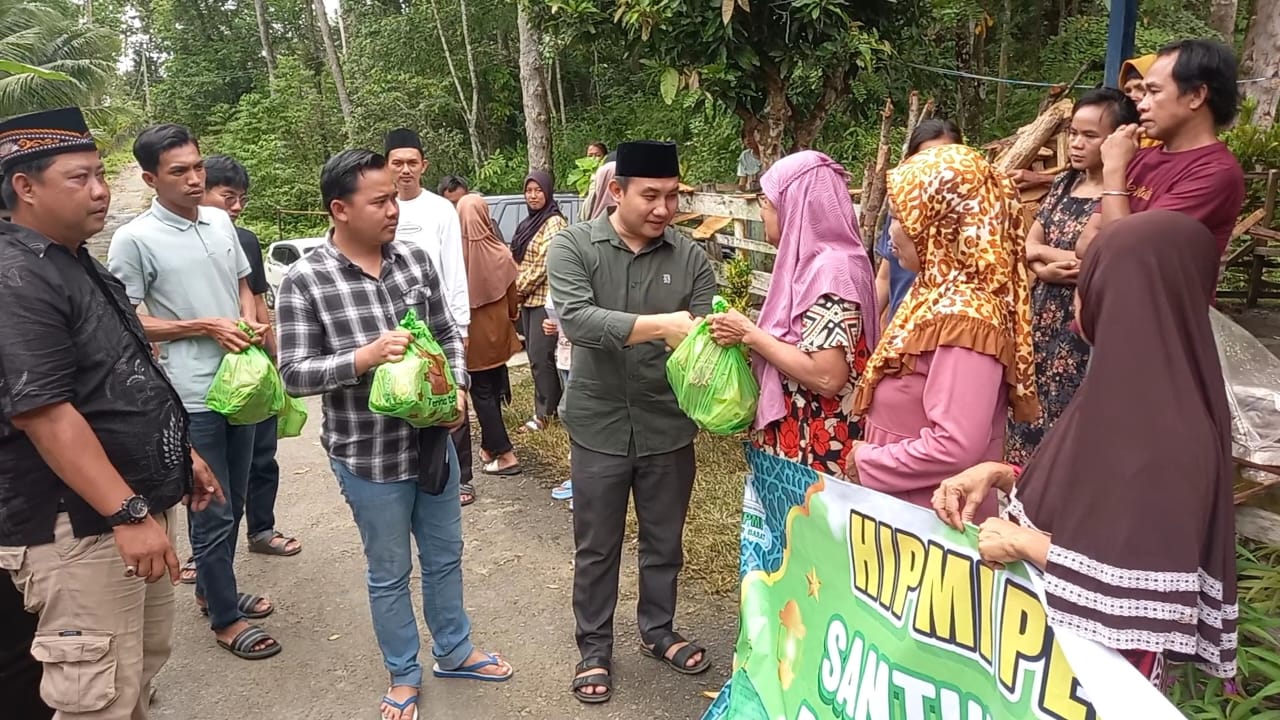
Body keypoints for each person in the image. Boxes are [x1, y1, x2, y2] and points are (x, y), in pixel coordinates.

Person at [933, 211, 1237, 687]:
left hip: (1100, 678)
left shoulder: (1161, 424)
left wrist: (1023, 542)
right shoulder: (1135, 389)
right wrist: (1001, 473)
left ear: (1127, 294)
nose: (1078, 298)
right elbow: (1101, 500)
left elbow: (1140, 579)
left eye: (1089, 282)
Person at [0, 107, 222, 718]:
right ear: (25, 187)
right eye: (80, 178)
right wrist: (125, 511)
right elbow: (44, 413)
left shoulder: (73, 261)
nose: (100, 190)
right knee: (96, 696)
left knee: (136, 673)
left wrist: (181, 455)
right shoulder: (17, 276)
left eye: (100, 174)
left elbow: (121, 379)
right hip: (81, 524)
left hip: (126, 510)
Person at [277, 149, 512, 720]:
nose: (394, 209)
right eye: (379, 201)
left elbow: (445, 333)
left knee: (445, 555)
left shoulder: (413, 260)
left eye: (393, 198)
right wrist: (363, 358)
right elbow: (294, 372)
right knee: (389, 572)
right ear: (340, 209)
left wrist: (457, 388)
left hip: (432, 445)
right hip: (367, 454)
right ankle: (403, 672)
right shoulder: (306, 280)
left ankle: (454, 650)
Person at [547, 140, 718, 704]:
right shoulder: (574, 245)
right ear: (617, 191)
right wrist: (663, 325)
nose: (664, 208)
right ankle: (594, 647)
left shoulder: (690, 257)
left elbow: (701, 338)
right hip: (598, 425)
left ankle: (658, 630)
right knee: (597, 546)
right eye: (650, 196)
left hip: (668, 424)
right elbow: (577, 320)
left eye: (672, 196)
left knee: (664, 540)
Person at [107, 124, 279, 660]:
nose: (193, 179)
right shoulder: (135, 239)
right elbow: (126, 319)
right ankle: (226, 618)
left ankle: (211, 588)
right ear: (150, 179)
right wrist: (202, 326)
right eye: (178, 171)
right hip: (192, 394)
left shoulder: (220, 221)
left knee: (239, 494)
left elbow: (242, 284)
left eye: (198, 167)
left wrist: (248, 320)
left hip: (243, 384)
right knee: (213, 505)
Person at [845, 144, 1036, 518]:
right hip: (906, 512)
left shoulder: (967, 319)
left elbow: (955, 446)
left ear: (943, 226)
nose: (890, 234)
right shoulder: (934, 295)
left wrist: (869, 461)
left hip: (930, 520)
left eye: (900, 218)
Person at [707, 150, 878, 477]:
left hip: (817, 447)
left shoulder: (831, 272)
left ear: (795, 206)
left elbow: (827, 376)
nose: (762, 212)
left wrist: (749, 333)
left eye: (767, 202)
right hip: (803, 438)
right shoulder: (819, 263)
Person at [181, 155, 300, 585]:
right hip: (203, 379)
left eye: (241, 200)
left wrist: (273, 357)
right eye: (227, 197)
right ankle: (205, 561)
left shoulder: (244, 240)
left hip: (251, 368)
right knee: (208, 475)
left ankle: (261, 529)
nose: (235, 207)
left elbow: (257, 298)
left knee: (262, 456)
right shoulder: (172, 244)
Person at [1007, 90, 1138, 464]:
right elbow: (1029, 243)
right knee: (1028, 408)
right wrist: (1043, 268)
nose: (1077, 144)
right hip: (1041, 317)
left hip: (1083, 323)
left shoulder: (1122, 193)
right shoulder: (1065, 183)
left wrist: (1042, 256)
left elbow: (1102, 256)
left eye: (1090, 136)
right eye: (1073, 133)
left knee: (1071, 419)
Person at [1077, 39, 1245, 265]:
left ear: (1196, 96)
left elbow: (1122, 253)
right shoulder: (1139, 157)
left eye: (1153, 92)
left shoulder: (1214, 173)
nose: (1141, 105)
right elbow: (1084, 244)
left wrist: (1114, 169)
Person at [384, 128, 475, 503]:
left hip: (436, 321)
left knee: (449, 394)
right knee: (403, 394)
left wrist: (461, 324)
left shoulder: (440, 209)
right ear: (386, 166)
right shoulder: (381, 207)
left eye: (412, 162)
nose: (405, 170)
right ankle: (409, 472)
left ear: (424, 165)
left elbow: (455, 269)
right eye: (397, 163)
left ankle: (461, 475)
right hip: (392, 327)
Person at [457, 193, 523, 478]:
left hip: (473, 338)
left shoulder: (454, 256)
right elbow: (513, 299)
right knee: (492, 390)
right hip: (500, 334)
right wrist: (510, 317)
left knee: (481, 394)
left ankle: (505, 454)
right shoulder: (501, 252)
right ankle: (488, 446)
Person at [874, 119, 962, 326]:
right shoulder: (901, 212)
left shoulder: (969, 220)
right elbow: (884, 278)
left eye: (943, 160)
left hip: (942, 329)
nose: (934, 170)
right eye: (925, 160)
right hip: (899, 330)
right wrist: (865, 327)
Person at [512, 170, 568, 433]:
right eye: (529, 190)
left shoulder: (553, 222)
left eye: (538, 190)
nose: (533, 196)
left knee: (540, 357)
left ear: (548, 192)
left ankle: (545, 413)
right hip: (528, 301)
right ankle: (550, 408)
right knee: (537, 357)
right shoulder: (529, 223)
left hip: (544, 301)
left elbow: (545, 263)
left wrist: (518, 289)